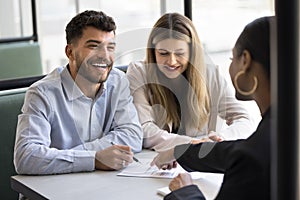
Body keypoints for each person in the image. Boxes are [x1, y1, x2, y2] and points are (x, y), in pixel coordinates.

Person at [151, 16, 273, 199]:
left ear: (245, 61)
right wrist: (181, 151)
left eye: (233, 58)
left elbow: (247, 155)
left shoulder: (253, 160)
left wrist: (185, 192)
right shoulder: (280, 129)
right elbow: (238, 150)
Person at [13, 10, 143, 175]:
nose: (105, 56)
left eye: (110, 47)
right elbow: (27, 157)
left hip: (97, 184)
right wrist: (94, 158)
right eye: (93, 46)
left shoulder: (118, 81)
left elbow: (132, 135)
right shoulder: (42, 93)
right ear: (70, 52)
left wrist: (74, 155)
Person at [126, 12, 256, 151]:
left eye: (180, 53)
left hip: (200, 165)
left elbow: (244, 118)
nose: (171, 61)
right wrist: (195, 144)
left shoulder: (211, 74)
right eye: (163, 53)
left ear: (192, 52)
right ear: (153, 51)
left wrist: (221, 139)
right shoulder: (138, 72)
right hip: (154, 162)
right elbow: (144, 130)